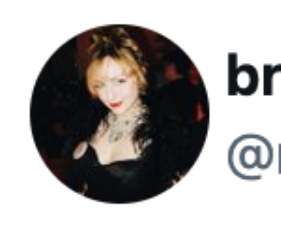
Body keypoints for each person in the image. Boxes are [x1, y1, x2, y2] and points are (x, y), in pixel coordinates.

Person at [59, 31, 191, 202]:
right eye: (100, 85)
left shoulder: (164, 133)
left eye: (120, 81)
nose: (110, 95)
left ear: (140, 74)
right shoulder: (88, 120)